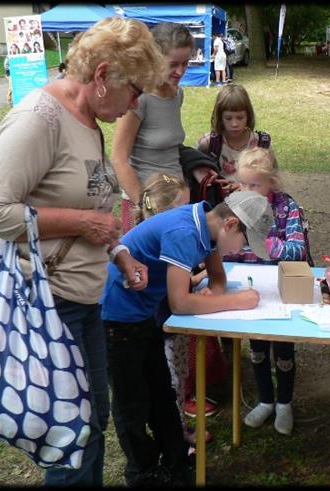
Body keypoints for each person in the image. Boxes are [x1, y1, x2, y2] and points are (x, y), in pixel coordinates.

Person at [0, 16, 164, 486]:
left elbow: (89, 202)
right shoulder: (40, 119)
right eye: (135, 90)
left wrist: (119, 253)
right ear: (102, 77)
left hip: (84, 301)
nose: (137, 103)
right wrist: (80, 222)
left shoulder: (90, 118)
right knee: (70, 437)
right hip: (47, 302)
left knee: (90, 426)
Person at [100, 190, 274, 486]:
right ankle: (141, 473)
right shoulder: (184, 232)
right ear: (231, 224)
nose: (241, 248)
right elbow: (180, 303)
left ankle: (176, 462)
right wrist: (236, 301)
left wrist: (215, 294)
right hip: (117, 318)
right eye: (245, 241)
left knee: (162, 395)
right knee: (133, 404)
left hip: (144, 314)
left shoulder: (205, 224)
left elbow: (217, 278)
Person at [224, 147, 311, 436]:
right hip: (249, 288)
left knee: (283, 348)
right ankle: (264, 400)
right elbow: (226, 250)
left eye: (255, 185)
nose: (248, 190)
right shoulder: (235, 207)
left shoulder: (287, 207)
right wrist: (231, 252)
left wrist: (266, 246)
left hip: (281, 288)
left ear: (272, 182)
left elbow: (298, 250)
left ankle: (284, 403)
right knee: (258, 347)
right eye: (243, 184)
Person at [111, 22, 219, 233]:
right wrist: (146, 208)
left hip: (177, 200)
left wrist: (197, 169)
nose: (181, 71)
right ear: (155, 59)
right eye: (173, 64)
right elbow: (119, 159)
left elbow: (170, 146)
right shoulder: (139, 99)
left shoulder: (177, 94)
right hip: (145, 206)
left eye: (186, 63)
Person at [132, 172, 212, 447]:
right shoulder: (172, 235)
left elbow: (174, 279)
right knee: (172, 381)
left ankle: (176, 429)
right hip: (162, 324)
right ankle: (175, 438)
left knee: (178, 376)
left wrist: (196, 279)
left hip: (167, 322)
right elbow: (167, 288)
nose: (190, 212)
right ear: (165, 211)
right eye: (184, 206)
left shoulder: (156, 236)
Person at [196, 83, 272, 185]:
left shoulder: (262, 144)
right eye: (228, 118)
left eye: (240, 117)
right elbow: (195, 170)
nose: (234, 124)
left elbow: (272, 179)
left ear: (248, 116)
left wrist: (245, 186)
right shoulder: (209, 143)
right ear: (220, 117)